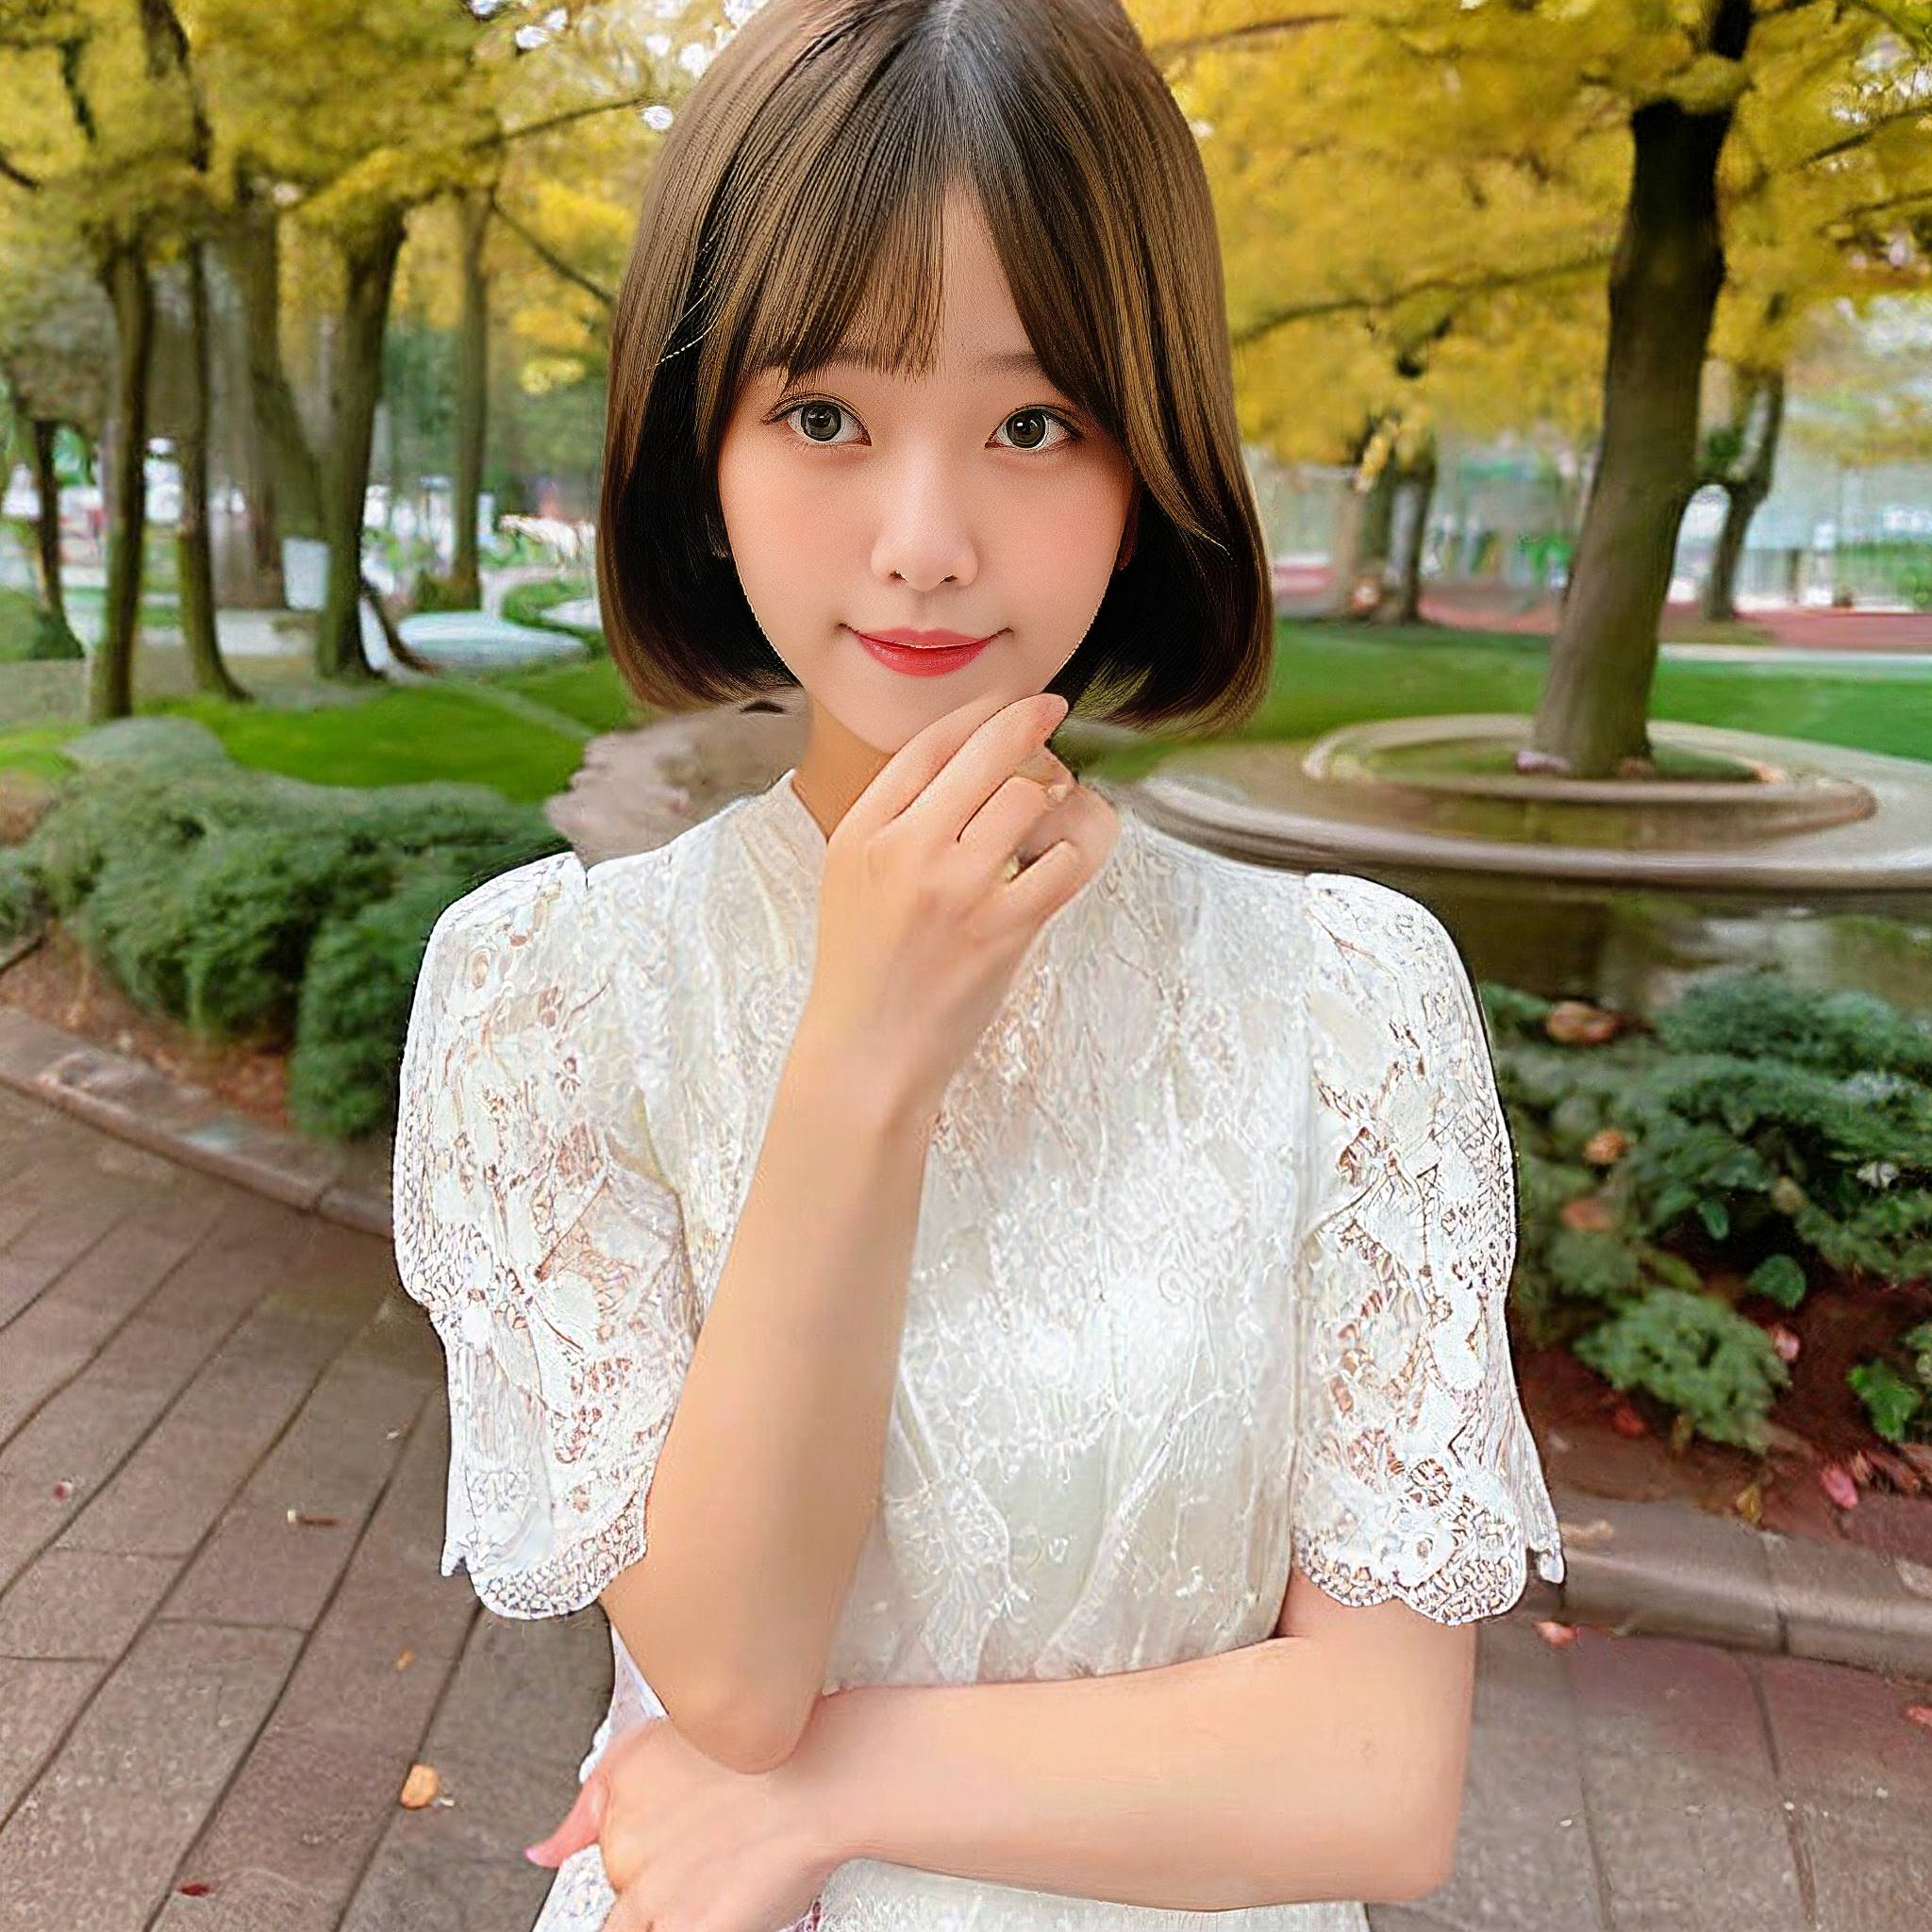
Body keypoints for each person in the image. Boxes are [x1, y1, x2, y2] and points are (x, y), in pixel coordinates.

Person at [388, 4, 1567, 1929]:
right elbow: (734, 1675)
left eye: (1030, 423)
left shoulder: (1347, 998)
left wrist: (816, 1795)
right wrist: (865, 1051)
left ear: (1145, 453)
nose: (924, 545)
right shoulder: (548, 995)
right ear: (700, 445)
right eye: (825, 415)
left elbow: (1378, 1775)